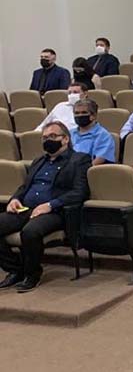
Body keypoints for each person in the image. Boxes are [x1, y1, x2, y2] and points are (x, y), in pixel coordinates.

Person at [0, 122, 91, 293]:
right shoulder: (39, 161)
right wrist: (14, 199)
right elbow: (24, 187)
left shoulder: (79, 160)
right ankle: (15, 270)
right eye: (44, 138)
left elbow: (79, 192)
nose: (48, 140)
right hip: (26, 209)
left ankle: (32, 275)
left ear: (65, 139)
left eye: (53, 136)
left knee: (30, 231)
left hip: (55, 211)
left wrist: (50, 205)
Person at [70, 99, 116, 165]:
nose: (79, 115)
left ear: (94, 115)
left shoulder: (103, 136)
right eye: (76, 113)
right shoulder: (70, 133)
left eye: (84, 113)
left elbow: (99, 160)